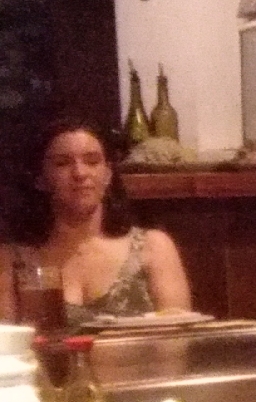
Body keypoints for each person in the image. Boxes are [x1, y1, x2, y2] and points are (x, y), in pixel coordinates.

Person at [0, 119, 193, 325]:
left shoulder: (153, 246)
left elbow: (180, 334)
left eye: (92, 162)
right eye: (62, 163)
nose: (80, 173)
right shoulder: (12, 259)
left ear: (108, 174)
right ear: (40, 178)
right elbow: (5, 338)